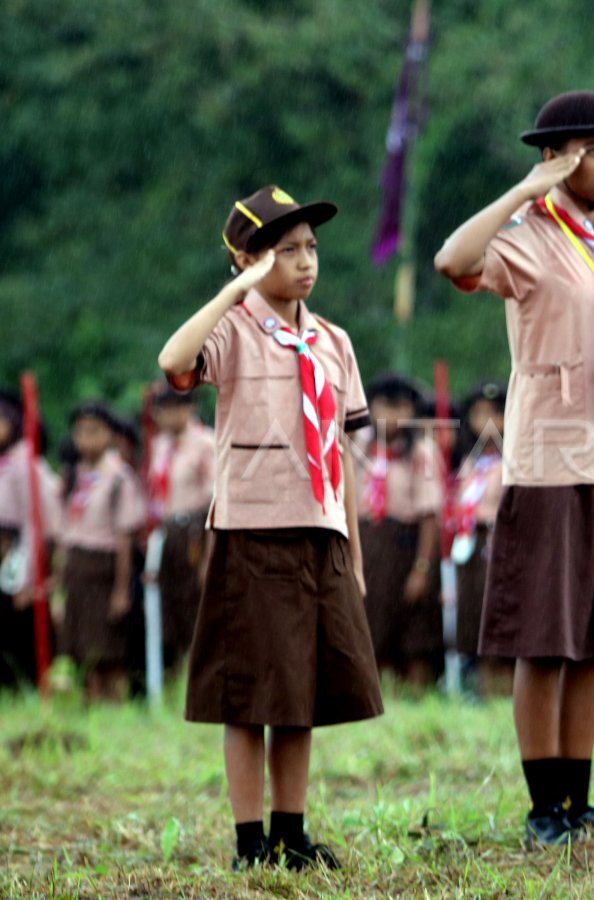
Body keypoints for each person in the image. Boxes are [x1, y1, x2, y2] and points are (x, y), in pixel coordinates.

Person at [435, 90, 594, 846]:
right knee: (544, 639)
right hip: (548, 463)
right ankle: (542, 807)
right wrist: (526, 190)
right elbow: (452, 261)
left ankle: (577, 799)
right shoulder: (527, 237)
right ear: (556, 156)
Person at [157, 185, 383, 870]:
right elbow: (174, 361)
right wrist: (237, 291)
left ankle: (292, 834)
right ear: (249, 261)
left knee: (301, 694)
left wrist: (354, 549)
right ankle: (249, 841)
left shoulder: (332, 340)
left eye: (311, 248)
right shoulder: (231, 333)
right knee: (248, 695)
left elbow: (344, 453)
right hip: (253, 534)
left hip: (320, 534)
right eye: (286, 252)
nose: (305, 262)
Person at [357, 373, 444, 688]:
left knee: (412, 631)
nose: (392, 417)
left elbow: (430, 514)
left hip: (405, 546)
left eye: (401, 408)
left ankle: (416, 698)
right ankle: (376, 698)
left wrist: (421, 569)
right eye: (384, 407)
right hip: (368, 543)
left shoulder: (420, 452)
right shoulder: (360, 449)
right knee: (371, 625)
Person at [58, 401, 146, 701]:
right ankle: (89, 705)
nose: (86, 439)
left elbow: (124, 538)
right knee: (82, 647)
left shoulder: (119, 477)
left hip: (105, 568)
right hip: (78, 567)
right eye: (80, 432)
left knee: (107, 647)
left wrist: (122, 590)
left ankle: (114, 710)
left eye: (94, 431)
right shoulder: (74, 476)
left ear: (110, 435)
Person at [146, 384, 216, 673]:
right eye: (163, 410)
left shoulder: (205, 443)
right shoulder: (160, 445)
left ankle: (202, 675)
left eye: (177, 408)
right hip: (167, 532)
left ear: (191, 408)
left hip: (195, 531)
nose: (170, 416)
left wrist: (209, 560)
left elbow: (215, 502)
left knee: (195, 606)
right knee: (170, 606)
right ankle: (175, 678)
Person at [452, 379, 512, 698]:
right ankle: (487, 693)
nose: (486, 422)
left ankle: (509, 693)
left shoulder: (515, 461)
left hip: (502, 544)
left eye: (494, 413)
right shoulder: (469, 462)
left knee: (503, 618)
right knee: (477, 617)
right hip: (472, 545)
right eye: (477, 414)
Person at [0, 391, 62, 689]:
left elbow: (34, 524)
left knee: (21, 624)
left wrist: (27, 576)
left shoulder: (25, 464)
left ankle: (26, 684)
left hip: (17, 552)